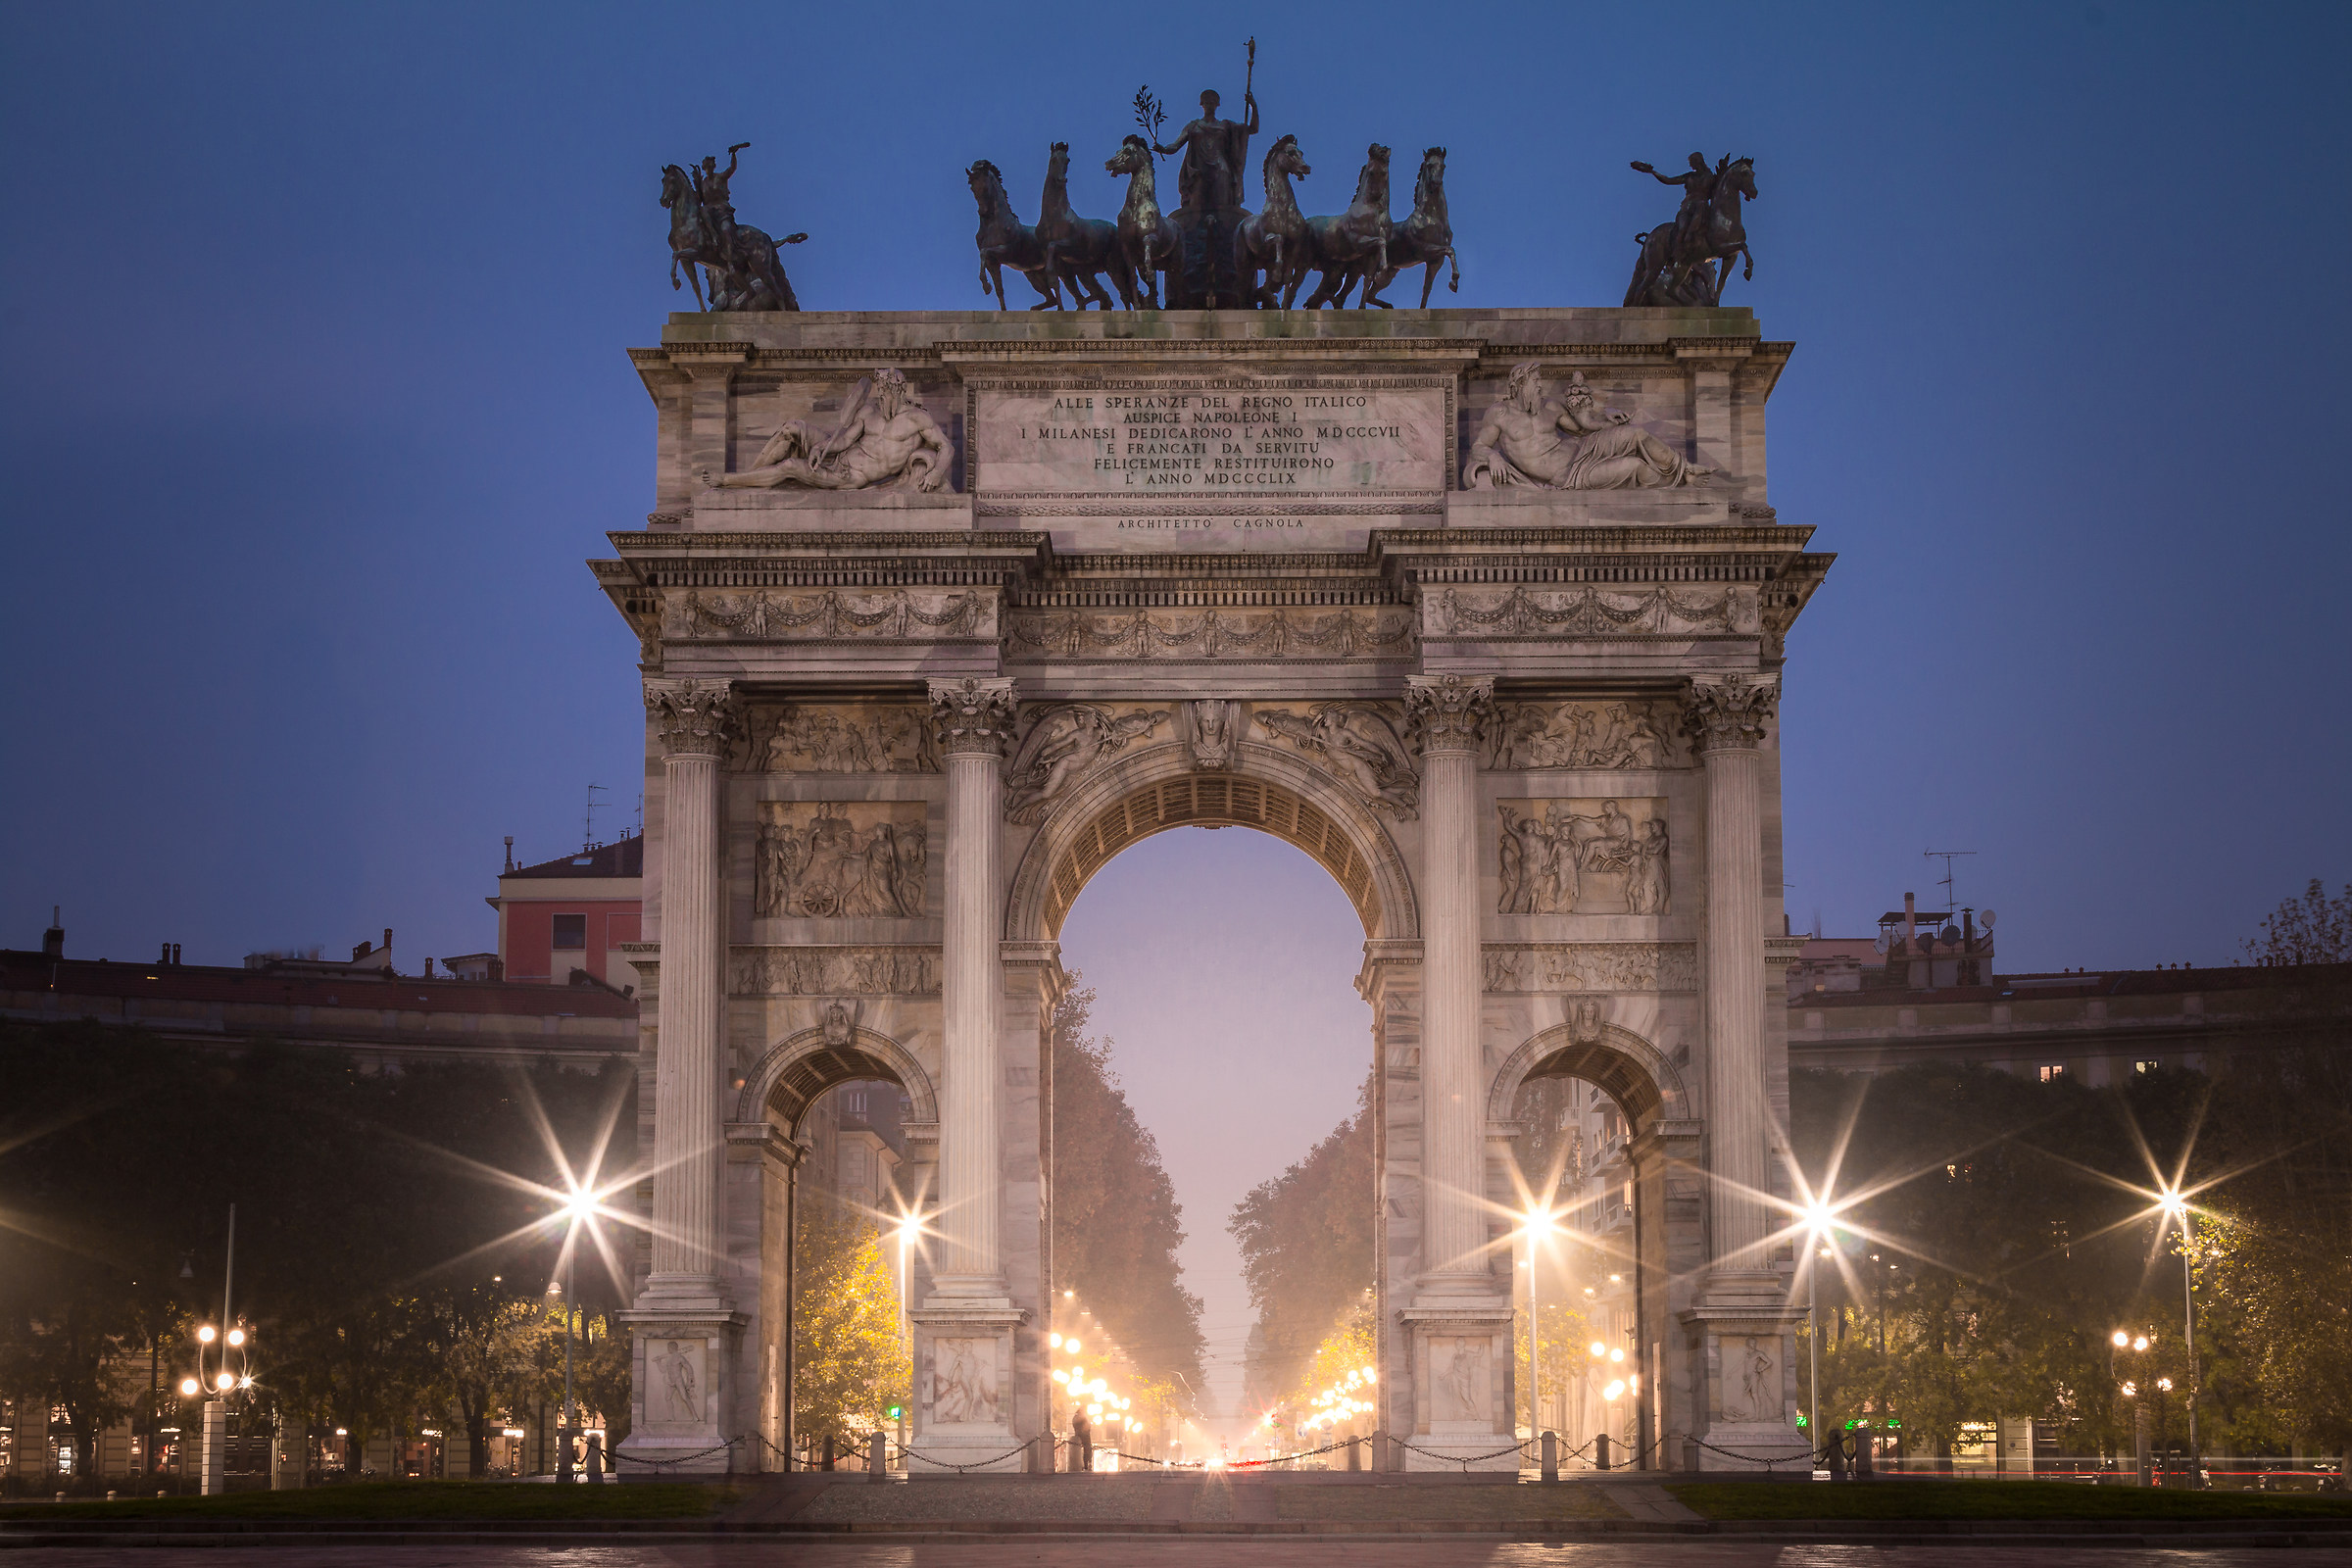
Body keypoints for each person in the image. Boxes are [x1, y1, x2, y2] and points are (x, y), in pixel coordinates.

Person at [1071, 1407, 1094, 1474]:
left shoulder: (1076, 1417)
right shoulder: (1082, 1418)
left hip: (1079, 1434)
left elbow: (1075, 1426)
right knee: (1087, 1449)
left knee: (1085, 1450)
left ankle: (1085, 1465)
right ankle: (1087, 1465)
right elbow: (1087, 1426)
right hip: (1084, 1435)